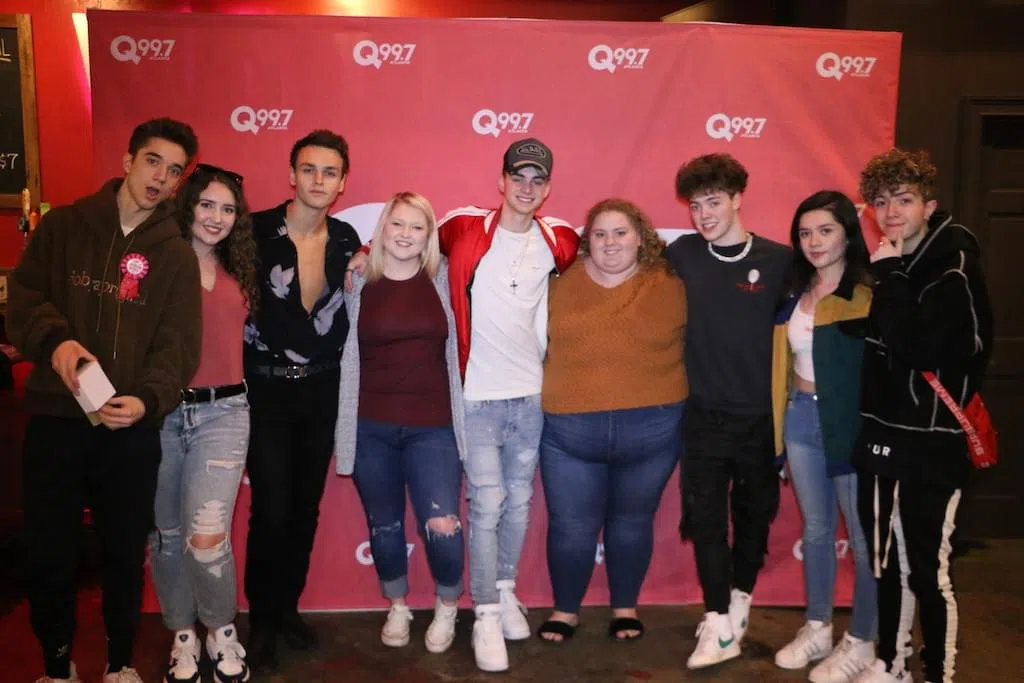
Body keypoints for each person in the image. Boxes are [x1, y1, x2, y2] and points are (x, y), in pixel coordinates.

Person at [346, 137, 578, 672]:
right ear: (501, 181)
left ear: (547, 189)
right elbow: (408, 242)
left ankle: (504, 590)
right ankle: (486, 614)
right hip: (474, 400)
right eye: (517, 177)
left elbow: (596, 264)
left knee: (519, 502)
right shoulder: (464, 226)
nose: (526, 188)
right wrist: (364, 251)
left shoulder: (559, 240)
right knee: (486, 504)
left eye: (537, 180)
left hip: (530, 396)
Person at [6, 118, 201, 683]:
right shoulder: (65, 226)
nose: (160, 177)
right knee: (49, 551)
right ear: (128, 161)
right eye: (152, 161)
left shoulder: (176, 256)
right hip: (55, 419)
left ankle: (120, 664)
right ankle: (56, 666)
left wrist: (147, 400)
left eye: (173, 170)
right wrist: (55, 341)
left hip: (130, 431)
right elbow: (24, 297)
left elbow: (177, 345)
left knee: (122, 553)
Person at [851, 149, 993, 683]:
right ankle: (892, 664)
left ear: (928, 207)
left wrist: (889, 277)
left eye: (904, 200)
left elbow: (918, 347)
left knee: (930, 573)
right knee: (888, 564)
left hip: (933, 442)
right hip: (883, 434)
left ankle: (937, 674)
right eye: (881, 202)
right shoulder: (895, 263)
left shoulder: (952, 267)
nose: (891, 212)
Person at [535, 198, 686, 644]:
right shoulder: (557, 282)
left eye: (621, 232)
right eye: (600, 234)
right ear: (588, 241)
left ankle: (625, 607)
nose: (610, 242)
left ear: (641, 238)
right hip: (569, 433)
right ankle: (565, 610)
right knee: (570, 526)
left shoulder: (673, 281)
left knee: (633, 521)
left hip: (652, 431)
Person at [665, 153, 792, 670]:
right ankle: (717, 621)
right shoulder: (681, 255)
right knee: (706, 520)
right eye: (695, 206)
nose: (703, 215)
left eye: (713, 202)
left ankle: (739, 600)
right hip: (703, 415)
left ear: (738, 199)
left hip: (763, 419)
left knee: (754, 517)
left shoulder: (780, 260)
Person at [243, 130, 362, 675]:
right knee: (270, 510)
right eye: (309, 169)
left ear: (342, 183)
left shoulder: (347, 239)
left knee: (305, 508)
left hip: (322, 389)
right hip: (265, 390)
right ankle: (262, 622)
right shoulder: (252, 232)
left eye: (329, 172)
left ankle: (287, 609)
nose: (318, 180)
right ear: (292, 175)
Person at [334, 191, 467, 654]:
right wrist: (362, 254)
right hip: (370, 428)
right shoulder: (357, 281)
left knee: (443, 524)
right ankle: (397, 604)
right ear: (382, 229)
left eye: (417, 226)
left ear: (429, 235)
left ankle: (448, 606)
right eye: (397, 224)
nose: (406, 234)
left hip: (435, 427)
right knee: (385, 525)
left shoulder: (444, 276)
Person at [149, 163, 259, 683]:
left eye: (228, 209)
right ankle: (182, 634)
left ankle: (221, 629)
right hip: (162, 413)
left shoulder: (241, 265)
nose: (216, 217)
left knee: (208, 535)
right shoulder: (155, 262)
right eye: (207, 204)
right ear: (187, 205)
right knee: (167, 534)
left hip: (224, 412)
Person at [770, 191, 877, 682]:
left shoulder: (869, 293)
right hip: (800, 417)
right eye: (805, 232)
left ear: (848, 235)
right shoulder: (795, 289)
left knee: (862, 536)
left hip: (849, 425)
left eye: (825, 230)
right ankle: (818, 627)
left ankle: (863, 639)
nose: (814, 241)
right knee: (815, 529)